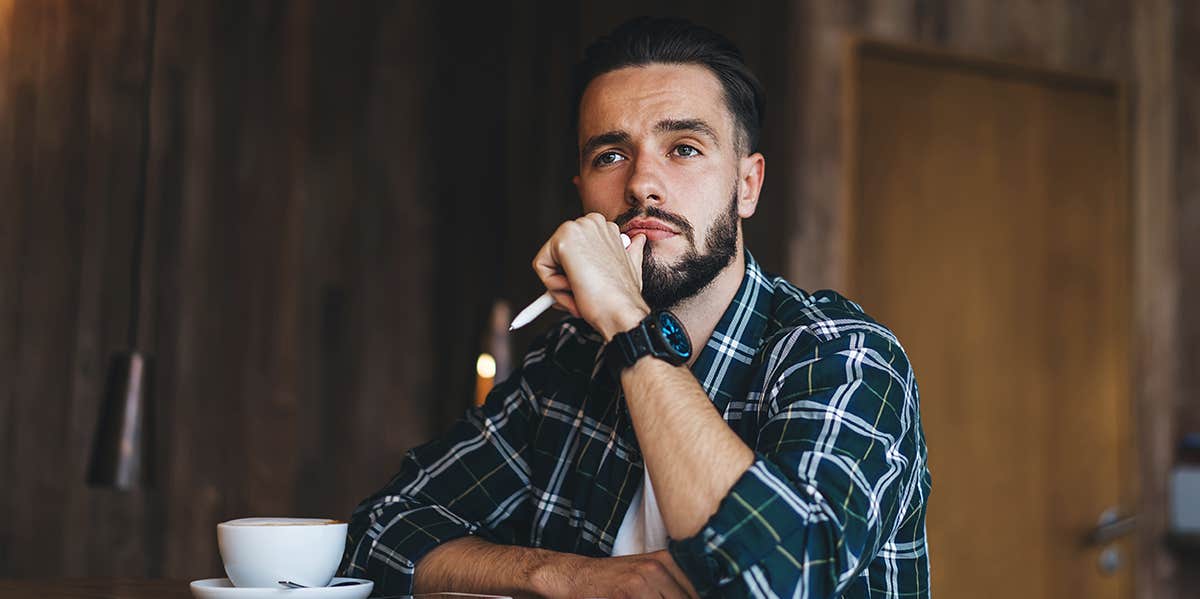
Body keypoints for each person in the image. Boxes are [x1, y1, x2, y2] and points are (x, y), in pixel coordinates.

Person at [342, 16, 930, 599]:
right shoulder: (569, 364)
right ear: (582, 192)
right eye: (610, 156)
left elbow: (780, 578)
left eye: (684, 148)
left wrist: (628, 320)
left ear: (746, 186)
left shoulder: (844, 354)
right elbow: (379, 533)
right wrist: (569, 578)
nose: (642, 183)